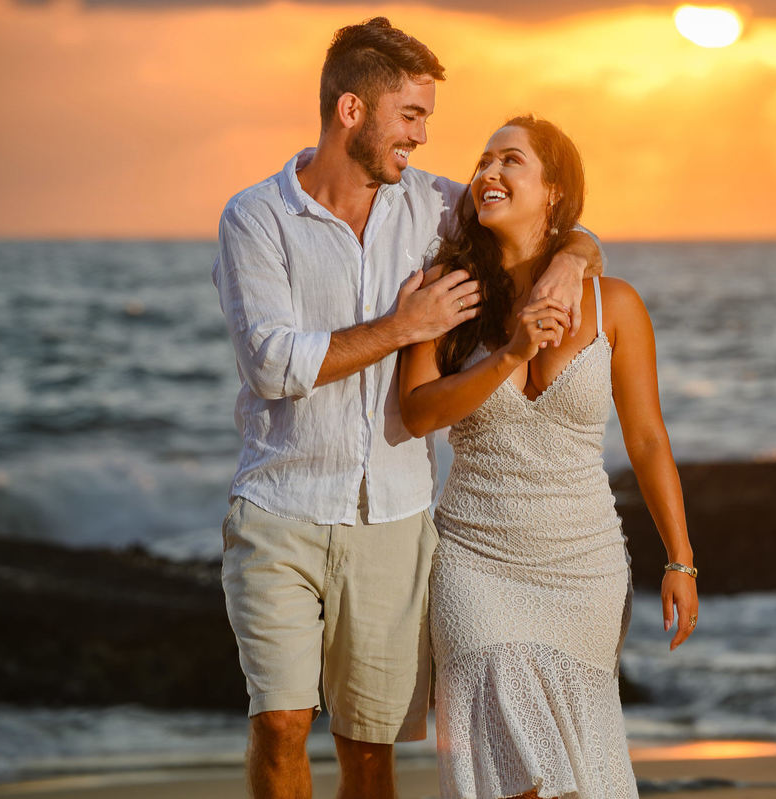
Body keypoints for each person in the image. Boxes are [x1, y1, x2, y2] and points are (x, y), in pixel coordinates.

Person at [212, 20, 602, 799]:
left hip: (393, 519)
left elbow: (545, 216)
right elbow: (273, 364)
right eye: (411, 116)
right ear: (352, 110)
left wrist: (572, 258)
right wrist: (402, 328)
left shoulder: (434, 207)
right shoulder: (255, 218)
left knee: (369, 750)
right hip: (279, 508)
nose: (423, 136)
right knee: (280, 721)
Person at [399, 116, 699, 799]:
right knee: (509, 760)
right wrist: (510, 354)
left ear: (555, 190)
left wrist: (680, 559)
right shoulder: (448, 293)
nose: (488, 172)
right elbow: (418, 413)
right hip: (475, 560)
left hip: (583, 568)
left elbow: (648, 439)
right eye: (483, 161)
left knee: (574, 774)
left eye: (511, 160)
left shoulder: (613, 303)